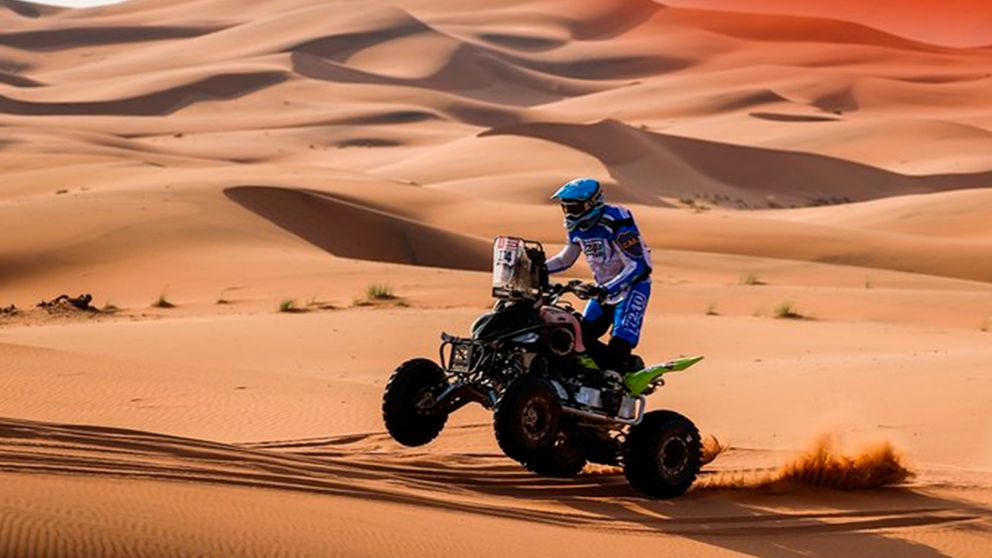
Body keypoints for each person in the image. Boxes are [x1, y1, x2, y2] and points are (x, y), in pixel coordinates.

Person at [545, 178, 652, 372]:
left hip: (632, 289)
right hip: (602, 291)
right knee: (579, 336)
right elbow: (565, 259)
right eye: (566, 207)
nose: (569, 213)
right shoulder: (577, 228)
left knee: (620, 342)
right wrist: (536, 267)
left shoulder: (617, 221)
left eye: (574, 208)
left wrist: (605, 289)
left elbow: (638, 266)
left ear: (591, 204)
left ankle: (623, 373)